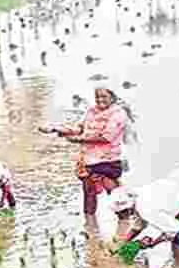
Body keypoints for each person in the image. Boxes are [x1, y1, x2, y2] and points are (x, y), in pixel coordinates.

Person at [39, 84, 134, 216]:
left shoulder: (118, 114)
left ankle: (128, 221)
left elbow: (106, 137)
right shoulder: (91, 111)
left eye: (104, 96)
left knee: (117, 198)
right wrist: (56, 128)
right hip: (88, 160)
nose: (100, 100)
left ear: (112, 97)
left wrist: (78, 140)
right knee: (89, 193)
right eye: (97, 97)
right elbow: (80, 128)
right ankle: (90, 224)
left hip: (107, 161)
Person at [110, 167, 179, 264]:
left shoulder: (147, 209)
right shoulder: (136, 195)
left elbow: (175, 228)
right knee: (176, 218)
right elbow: (138, 225)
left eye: (121, 213)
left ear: (128, 208)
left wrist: (153, 243)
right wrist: (123, 243)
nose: (120, 217)